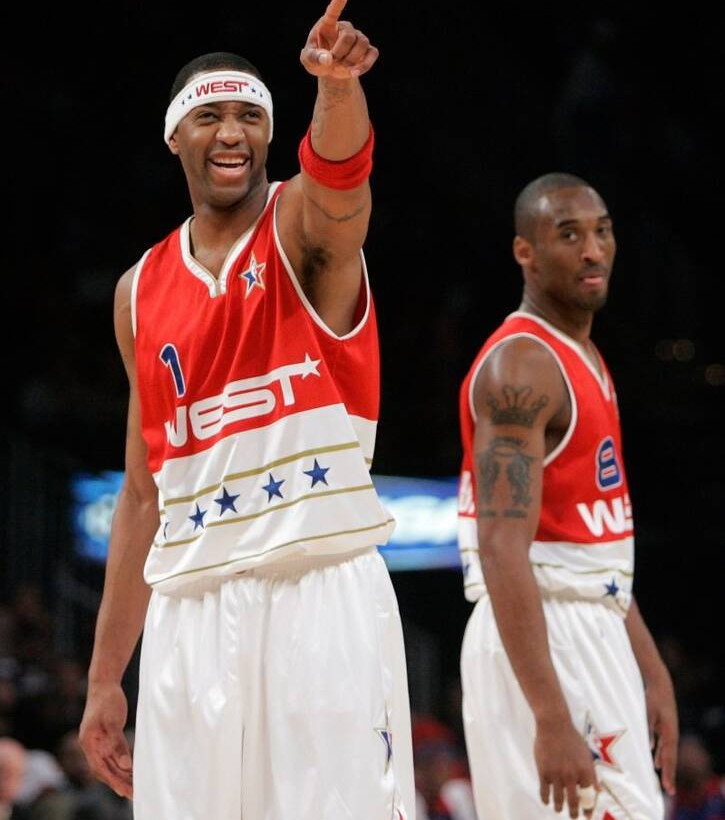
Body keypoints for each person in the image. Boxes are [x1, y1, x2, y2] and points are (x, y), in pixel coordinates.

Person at [77, 2, 416, 819]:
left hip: (316, 589)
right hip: (189, 610)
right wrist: (104, 678)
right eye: (209, 116)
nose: (231, 133)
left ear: (268, 135)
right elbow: (142, 494)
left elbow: (342, 174)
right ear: (175, 137)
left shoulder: (302, 224)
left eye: (249, 117)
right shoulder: (136, 292)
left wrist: (337, 87)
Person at [456, 172, 679, 819]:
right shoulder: (522, 367)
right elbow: (502, 550)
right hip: (545, 639)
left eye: (602, 231)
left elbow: (593, 550)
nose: (593, 250)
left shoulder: (584, 355)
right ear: (525, 251)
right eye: (569, 235)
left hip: (588, 626)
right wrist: (549, 715)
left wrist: (650, 669)